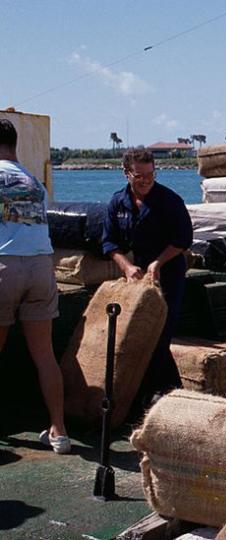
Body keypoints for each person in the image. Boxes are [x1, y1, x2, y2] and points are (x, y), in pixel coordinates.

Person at [0, 119, 70, 453]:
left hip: (5, 267)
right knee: (45, 355)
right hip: (42, 267)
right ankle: (59, 430)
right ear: (15, 145)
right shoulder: (33, 181)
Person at [103, 149, 192, 404]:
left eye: (150, 174)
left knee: (160, 336)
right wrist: (127, 267)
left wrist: (158, 263)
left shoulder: (170, 200)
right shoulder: (117, 202)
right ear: (126, 173)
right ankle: (163, 392)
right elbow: (109, 243)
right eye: (139, 175)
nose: (146, 180)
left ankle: (164, 394)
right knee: (141, 336)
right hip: (138, 277)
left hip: (169, 274)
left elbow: (183, 239)